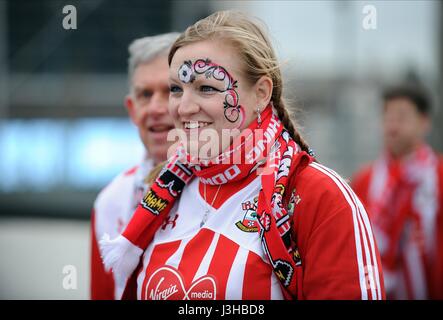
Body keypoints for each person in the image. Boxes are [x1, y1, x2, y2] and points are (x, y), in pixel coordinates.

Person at [100, 11, 385, 300]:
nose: (183, 108)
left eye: (206, 88)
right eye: (177, 88)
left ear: (261, 93)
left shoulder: (320, 196)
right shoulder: (161, 191)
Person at [90, 32, 179, 300]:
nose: (156, 107)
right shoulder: (110, 200)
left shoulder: (231, 188)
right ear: (131, 109)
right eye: (145, 94)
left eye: (170, 91)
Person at [352, 85, 443, 299]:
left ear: (424, 122)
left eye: (401, 117)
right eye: (387, 117)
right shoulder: (366, 180)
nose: (392, 126)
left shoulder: (437, 175)